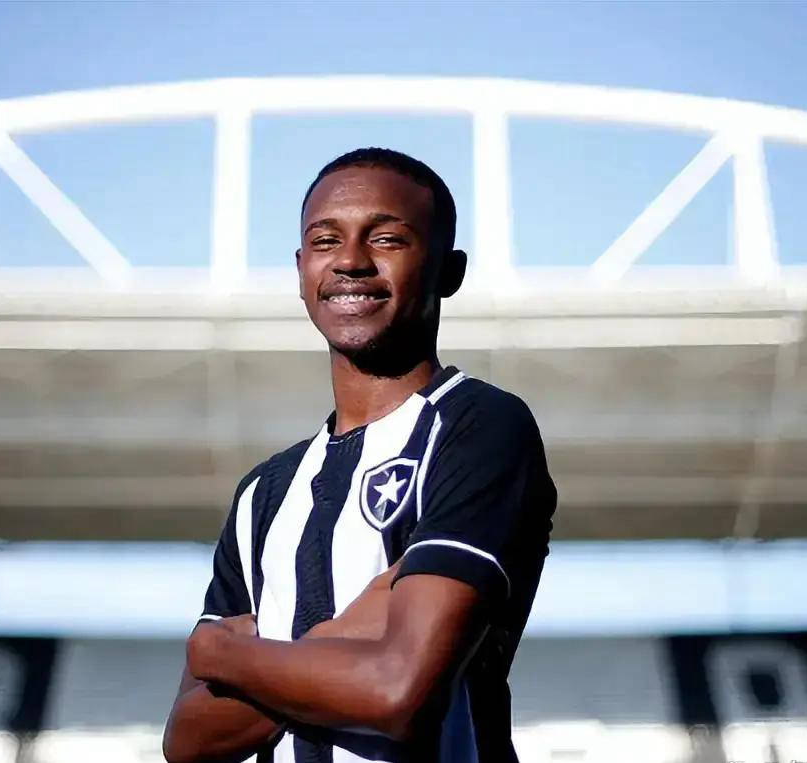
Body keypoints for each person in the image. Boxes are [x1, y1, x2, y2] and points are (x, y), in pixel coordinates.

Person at [163, 147, 557, 763]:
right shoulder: (264, 493)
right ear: (301, 270)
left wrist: (226, 654)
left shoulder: (479, 426)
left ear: (449, 271)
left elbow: (398, 693)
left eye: (387, 239)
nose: (349, 260)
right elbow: (188, 741)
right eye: (326, 241)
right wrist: (345, 635)